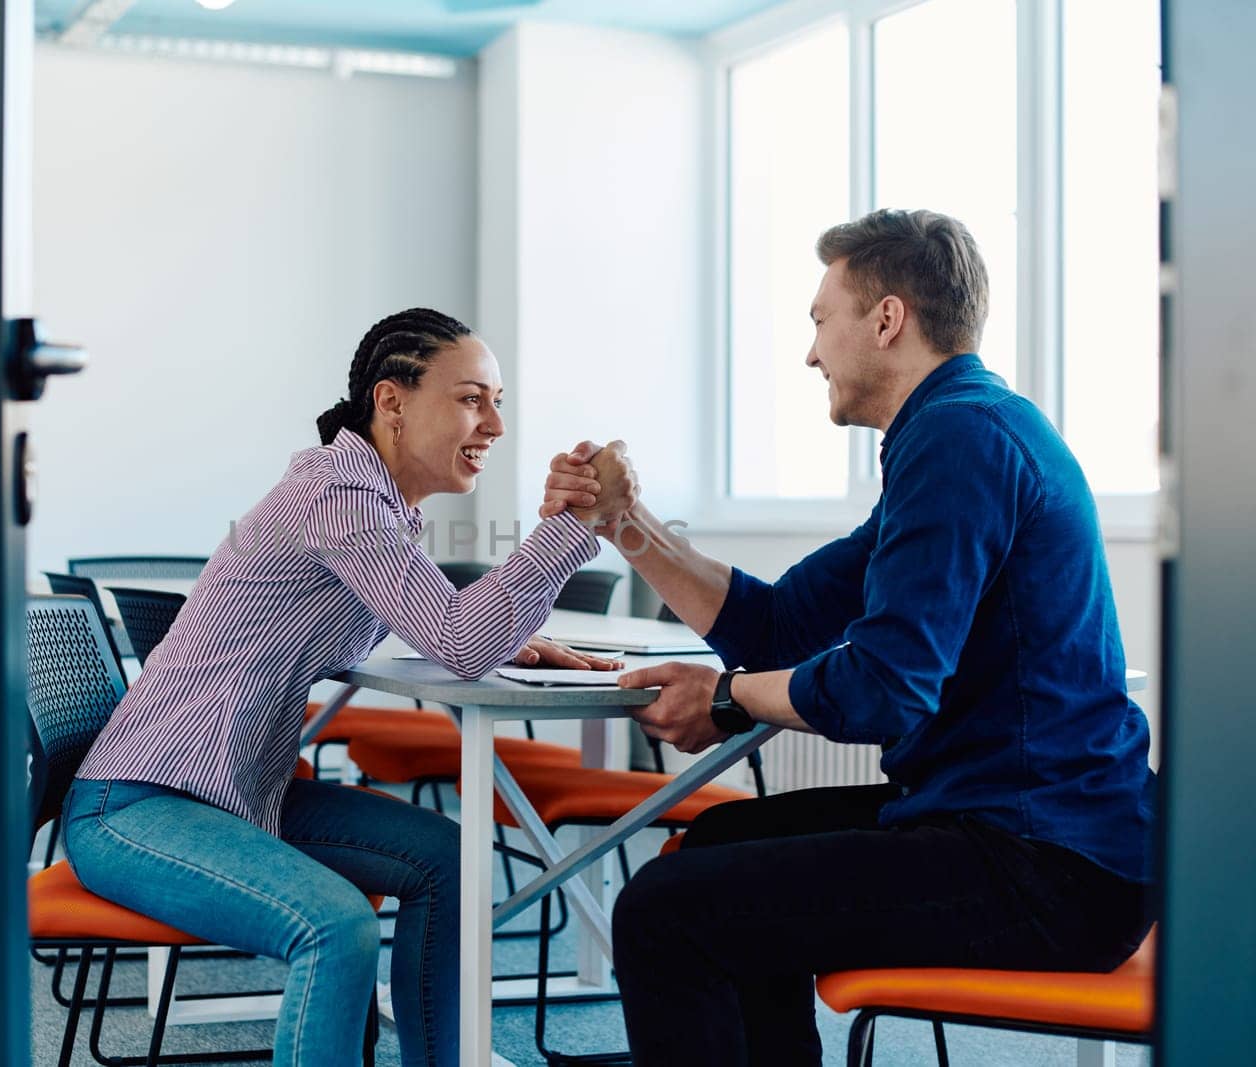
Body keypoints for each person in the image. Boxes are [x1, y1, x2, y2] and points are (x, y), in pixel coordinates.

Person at [542, 209, 1156, 1066]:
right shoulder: (958, 430)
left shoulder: (961, 439)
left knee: (665, 910)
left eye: (819, 321)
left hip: (1044, 863)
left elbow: (883, 687)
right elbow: (780, 623)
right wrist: (625, 522)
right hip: (1011, 826)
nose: (810, 352)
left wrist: (723, 698)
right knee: (721, 843)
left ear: (887, 318)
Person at [62, 308, 635, 1067]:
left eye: (498, 400)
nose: (495, 423)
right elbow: (461, 640)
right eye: (472, 397)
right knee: (335, 925)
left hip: (235, 795)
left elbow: (441, 625)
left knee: (448, 860)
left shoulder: (372, 501)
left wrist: (513, 628)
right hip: (138, 805)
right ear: (391, 401)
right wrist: (572, 527)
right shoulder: (340, 496)